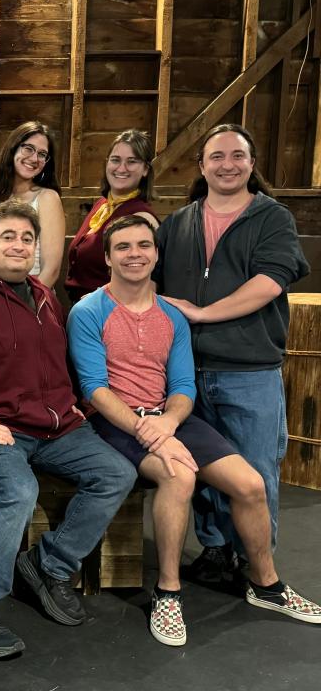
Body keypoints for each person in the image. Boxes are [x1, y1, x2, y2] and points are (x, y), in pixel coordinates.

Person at [68, 215, 321, 646]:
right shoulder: (88, 311)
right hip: (115, 422)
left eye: (144, 245)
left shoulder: (172, 314)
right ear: (108, 257)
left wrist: (166, 423)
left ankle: (266, 584)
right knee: (178, 475)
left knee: (251, 484)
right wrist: (144, 429)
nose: (135, 254)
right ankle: (168, 591)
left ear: (155, 253)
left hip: (169, 418)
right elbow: (95, 389)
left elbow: (183, 386)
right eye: (124, 247)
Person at [0, 200, 137, 659]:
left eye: (27, 238)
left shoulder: (43, 294)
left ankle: (49, 563)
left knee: (117, 473)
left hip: (56, 426)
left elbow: (59, 361)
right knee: (18, 491)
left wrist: (75, 406)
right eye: (7, 236)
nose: (19, 245)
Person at [155, 124, 310, 583]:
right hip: (188, 370)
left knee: (255, 472)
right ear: (202, 166)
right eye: (217, 157)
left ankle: (255, 560)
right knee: (202, 467)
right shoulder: (178, 224)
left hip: (249, 369)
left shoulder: (273, 218)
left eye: (237, 156)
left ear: (251, 163)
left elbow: (269, 283)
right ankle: (216, 548)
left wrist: (203, 314)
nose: (227, 164)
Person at [64, 129, 158, 302]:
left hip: (108, 314)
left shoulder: (141, 217)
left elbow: (149, 285)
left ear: (145, 169)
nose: (121, 168)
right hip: (83, 310)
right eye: (115, 160)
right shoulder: (103, 205)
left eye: (132, 162)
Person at [0, 120, 65, 288]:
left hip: (30, 292)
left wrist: (25, 305)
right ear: (13, 148)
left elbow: (51, 270)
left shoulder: (47, 198)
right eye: (28, 148)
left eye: (42, 154)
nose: (34, 158)